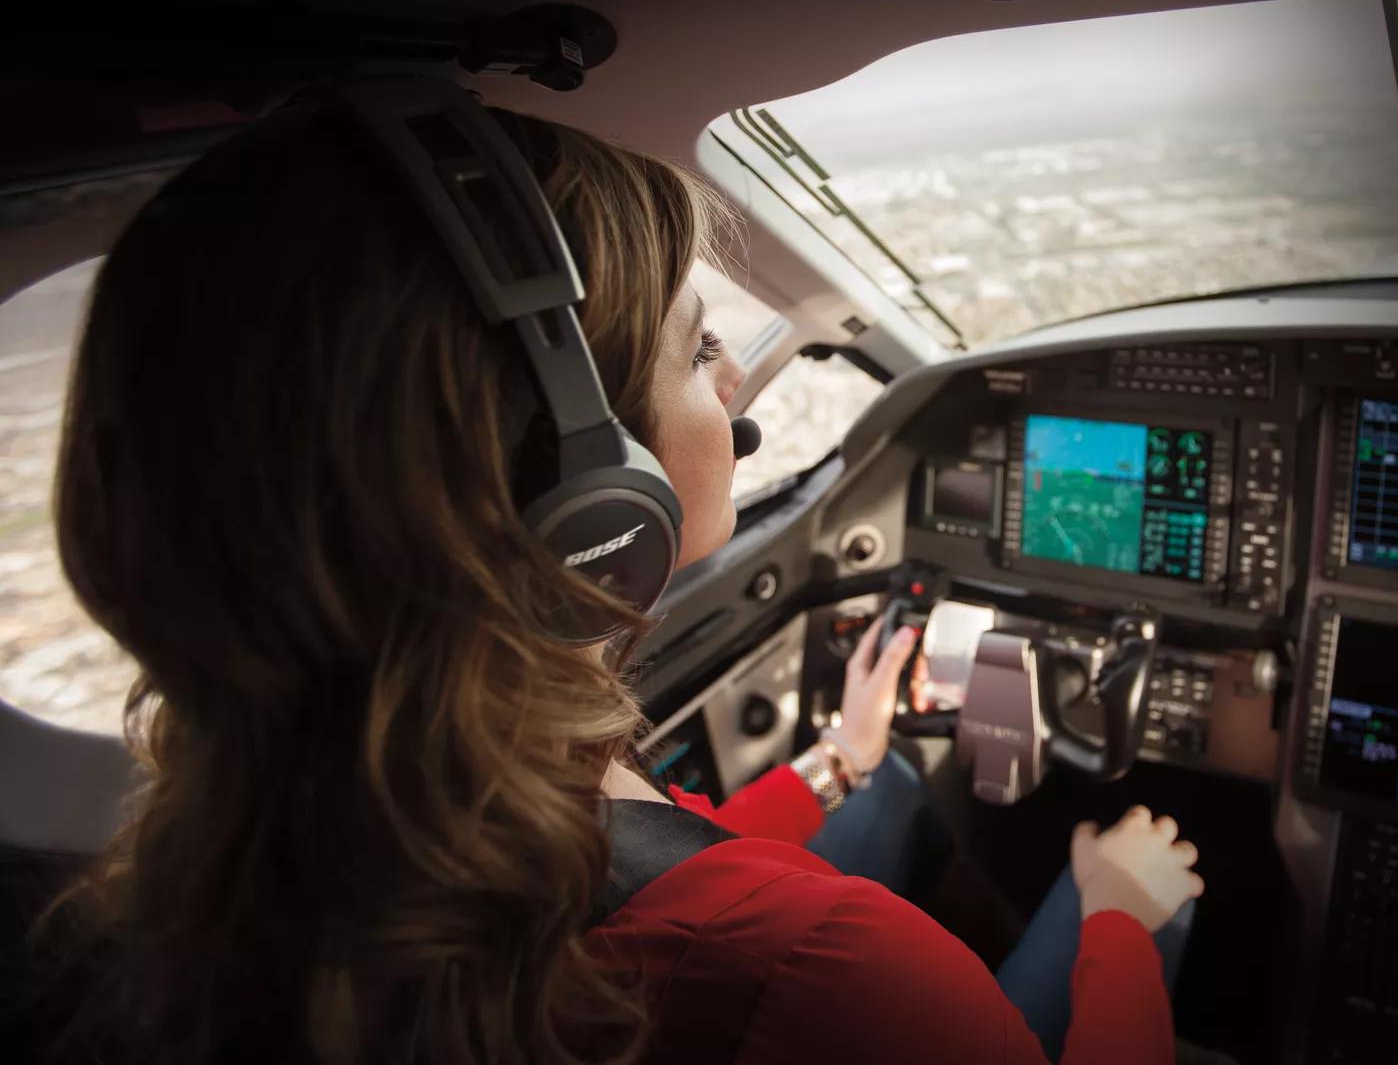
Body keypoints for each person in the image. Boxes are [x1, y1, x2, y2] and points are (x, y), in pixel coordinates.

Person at [35, 99, 1203, 1065]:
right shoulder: (831, 975)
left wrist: (836, 758)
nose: (737, 382)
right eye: (699, 348)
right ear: (586, 493)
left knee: (889, 782)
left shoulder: (235, 853)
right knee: (1150, 880)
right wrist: (1116, 925)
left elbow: (626, 860)